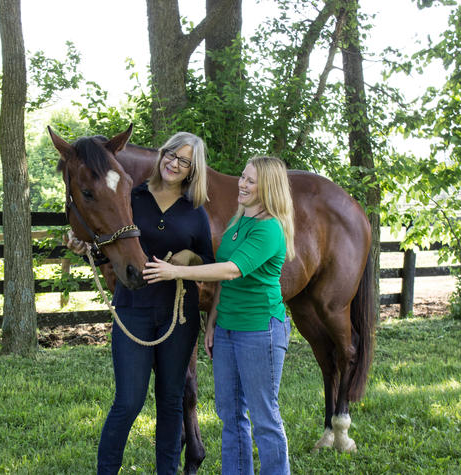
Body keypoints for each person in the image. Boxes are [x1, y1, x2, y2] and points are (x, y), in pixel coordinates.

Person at [65, 132, 214, 475]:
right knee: (128, 402)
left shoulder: (195, 212)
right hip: (133, 308)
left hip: (178, 313)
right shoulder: (132, 197)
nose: (173, 164)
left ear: (193, 169)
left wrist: (183, 260)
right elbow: (108, 235)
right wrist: (85, 245)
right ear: (162, 155)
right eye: (171, 155)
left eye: (184, 161)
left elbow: (207, 260)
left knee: (171, 402)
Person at [143, 156, 296, 475]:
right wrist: (212, 324)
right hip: (227, 329)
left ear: (268, 187)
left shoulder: (269, 229)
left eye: (251, 181)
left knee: (265, 418)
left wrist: (175, 271)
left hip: (260, 330)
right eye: (243, 177)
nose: (242, 183)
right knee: (230, 414)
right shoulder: (238, 223)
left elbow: (230, 270)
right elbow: (226, 284)